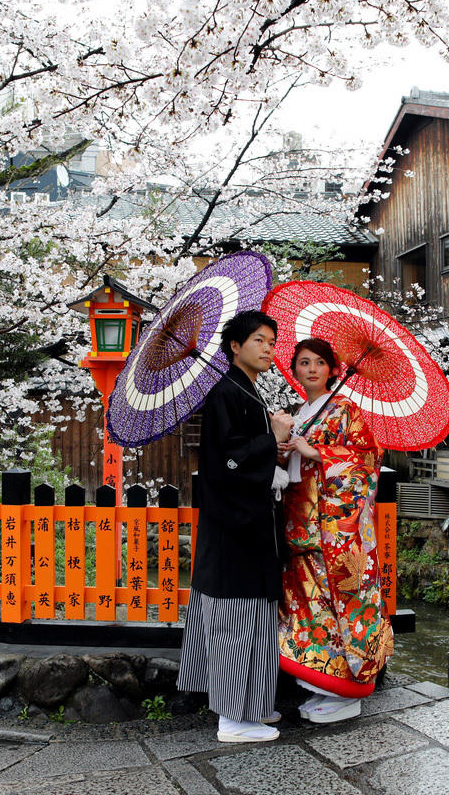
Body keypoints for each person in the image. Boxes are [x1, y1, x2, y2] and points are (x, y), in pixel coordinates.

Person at [177, 310, 294, 743]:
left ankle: (252, 707)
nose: (269, 348)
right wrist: (271, 438)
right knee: (235, 621)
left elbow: (247, 456)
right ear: (234, 347)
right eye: (260, 340)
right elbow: (223, 464)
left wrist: (273, 446)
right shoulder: (224, 393)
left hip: (249, 528)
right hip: (235, 531)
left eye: (271, 341)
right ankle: (232, 718)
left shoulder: (246, 391)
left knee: (254, 619)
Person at [276, 337, 393, 723]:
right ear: (293, 371)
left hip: (333, 535)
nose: (311, 369)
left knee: (341, 607)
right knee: (310, 611)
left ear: (332, 370)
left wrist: (319, 453)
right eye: (303, 362)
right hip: (299, 530)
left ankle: (350, 691)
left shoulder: (345, 410)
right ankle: (325, 684)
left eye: (319, 363)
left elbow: (366, 459)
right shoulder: (299, 413)